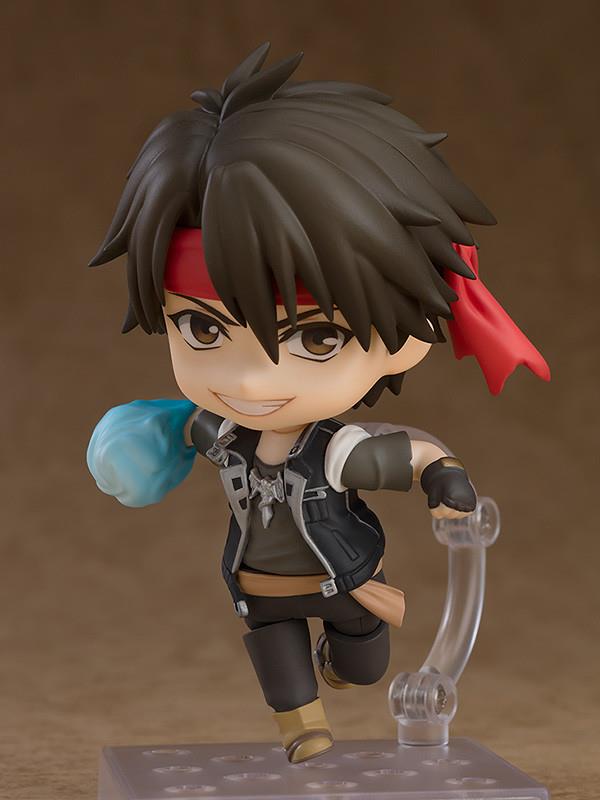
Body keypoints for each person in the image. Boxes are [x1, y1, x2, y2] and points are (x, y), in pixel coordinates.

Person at [86, 43, 549, 763]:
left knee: (363, 666)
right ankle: (302, 728)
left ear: (404, 342)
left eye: (316, 338)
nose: (252, 382)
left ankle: (345, 657)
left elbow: (410, 455)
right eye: (203, 329)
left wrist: (446, 481)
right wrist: (142, 438)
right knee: (282, 671)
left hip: (346, 583)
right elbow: (180, 431)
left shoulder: (334, 451)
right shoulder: (221, 431)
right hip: (258, 586)